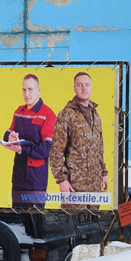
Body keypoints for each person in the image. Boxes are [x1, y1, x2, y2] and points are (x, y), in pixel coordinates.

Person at [50, 71, 108, 209]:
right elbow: (56, 151)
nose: (84, 88)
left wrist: (103, 173)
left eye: (87, 85)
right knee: (72, 226)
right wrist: (61, 180)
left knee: (93, 225)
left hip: (94, 186)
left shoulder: (96, 115)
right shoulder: (67, 114)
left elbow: (99, 148)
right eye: (80, 85)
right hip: (75, 185)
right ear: (74, 88)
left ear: (91, 87)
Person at [2, 74, 55, 209]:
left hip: (36, 180)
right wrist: (10, 137)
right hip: (19, 175)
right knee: (17, 220)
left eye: (30, 89)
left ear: (39, 90)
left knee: (34, 221)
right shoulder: (19, 111)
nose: (27, 94)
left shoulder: (47, 114)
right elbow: (7, 132)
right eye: (24, 90)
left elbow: (47, 148)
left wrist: (21, 149)